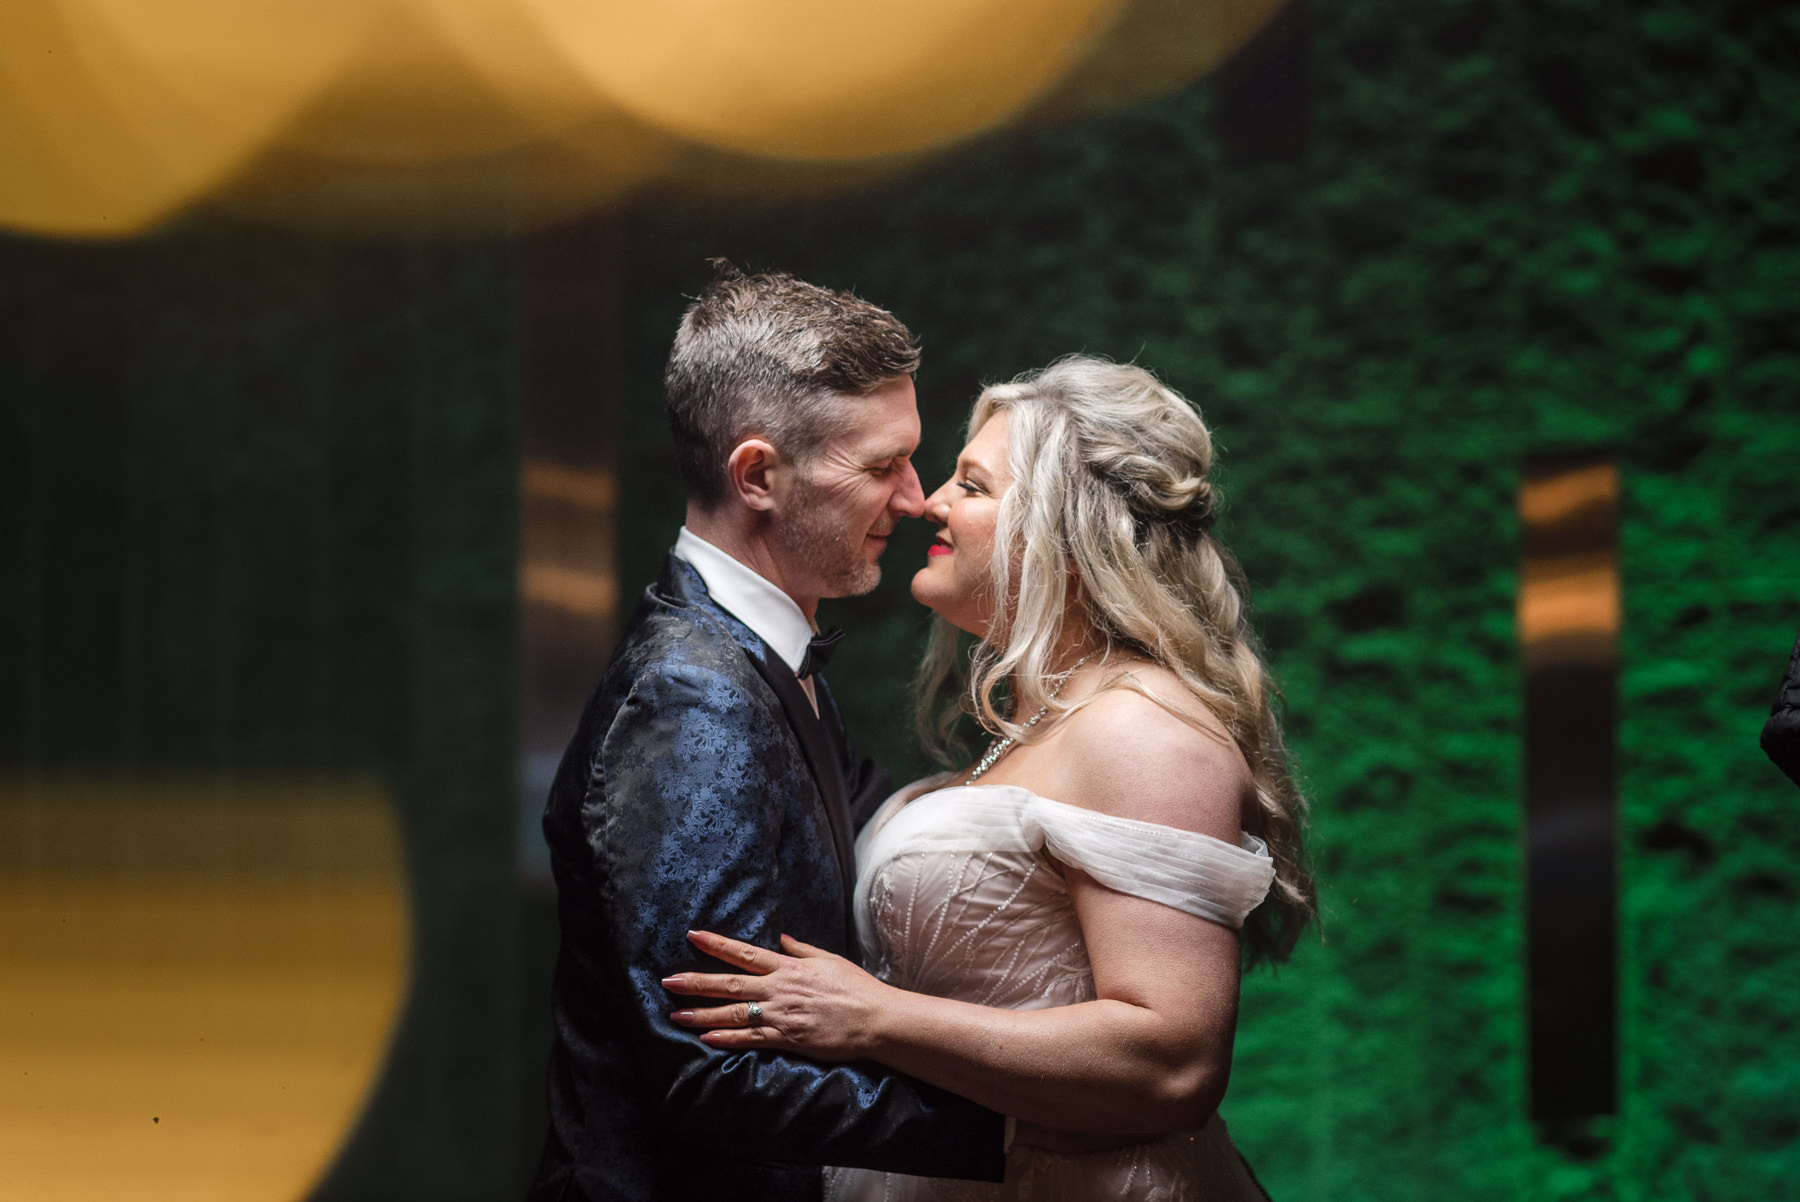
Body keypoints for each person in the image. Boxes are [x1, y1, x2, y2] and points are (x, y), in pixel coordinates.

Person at [665, 356, 1317, 1200]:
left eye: (971, 485)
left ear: (1066, 532)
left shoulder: (1144, 727)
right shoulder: (1043, 722)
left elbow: (1174, 1064)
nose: (927, 501)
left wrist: (874, 1018)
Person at [529, 268, 1007, 1202]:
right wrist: (1030, 1131)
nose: (915, 499)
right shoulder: (693, 695)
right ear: (758, 475)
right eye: (881, 467)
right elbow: (714, 1074)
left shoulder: (761, 656)